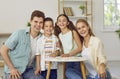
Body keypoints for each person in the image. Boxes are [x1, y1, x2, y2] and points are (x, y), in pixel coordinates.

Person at [0, 10, 45, 79]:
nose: (38, 25)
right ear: (31, 21)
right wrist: (12, 68)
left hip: (29, 70)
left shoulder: (43, 38)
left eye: (41, 22)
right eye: (35, 22)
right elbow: (3, 50)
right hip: (14, 69)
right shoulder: (19, 33)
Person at [54, 14, 82, 79]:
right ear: (57, 23)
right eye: (59, 21)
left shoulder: (73, 32)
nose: (61, 23)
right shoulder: (59, 36)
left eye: (64, 21)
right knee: (69, 75)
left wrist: (69, 54)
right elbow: (63, 51)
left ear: (68, 23)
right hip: (67, 60)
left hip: (76, 59)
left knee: (71, 74)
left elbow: (80, 48)